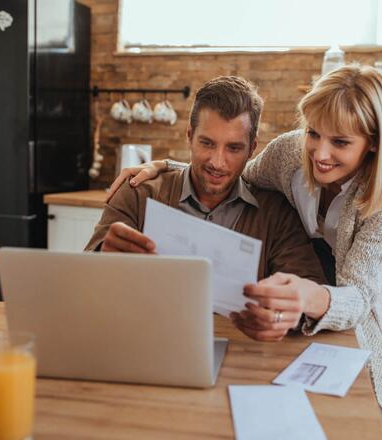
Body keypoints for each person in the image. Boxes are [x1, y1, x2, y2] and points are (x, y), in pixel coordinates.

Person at [107, 65, 382, 439]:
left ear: (374, 142)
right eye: (314, 133)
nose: (320, 154)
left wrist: (308, 298)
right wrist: (166, 166)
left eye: (341, 143)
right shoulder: (290, 154)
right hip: (318, 287)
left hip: (380, 312)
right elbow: (232, 171)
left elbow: (360, 296)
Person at [85, 76, 327, 338]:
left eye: (234, 148)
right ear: (189, 136)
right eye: (207, 143)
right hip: (142, 338)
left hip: (242, 351)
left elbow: (309, 288)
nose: (217, 162)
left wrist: (284, 315)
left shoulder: (275, 212)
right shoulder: (138, 192)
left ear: (252, 149)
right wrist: (104, 257)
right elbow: (85, 277)